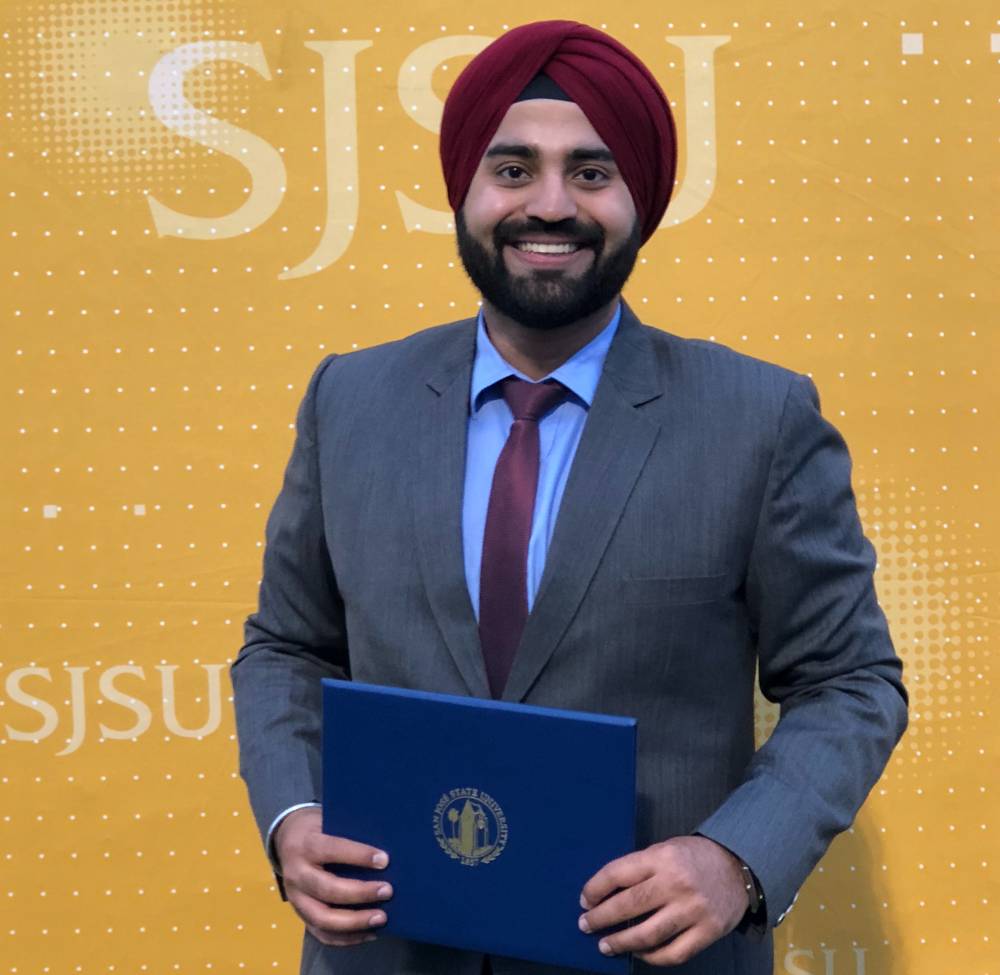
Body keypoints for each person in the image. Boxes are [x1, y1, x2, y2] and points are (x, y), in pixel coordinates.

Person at [231, 20, 907, 975]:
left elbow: (850, 681)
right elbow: (286, 645)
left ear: (641, 197)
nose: (550, 205)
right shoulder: (350, 400)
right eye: (513, 169)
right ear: (464, 188)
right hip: (389, 951)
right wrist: (295, 812)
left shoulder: (760, 417)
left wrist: (738, 857)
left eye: (591, 173)